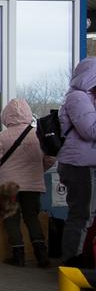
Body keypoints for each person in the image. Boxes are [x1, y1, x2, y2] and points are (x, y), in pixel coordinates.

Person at [0, 98, 54, 267]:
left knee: (11, 218)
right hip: (33, 185)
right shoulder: (38, 134)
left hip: (8, 185)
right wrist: (38, 171)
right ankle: (41, 255)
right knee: (32, 217)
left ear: (6, 115)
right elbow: (50, 158)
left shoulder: (2, 137)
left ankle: (18, 255)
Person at [57, 57, 96, 265]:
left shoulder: (86, 98)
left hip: (84, 163)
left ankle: (79, 258)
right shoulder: (78, 98)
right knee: (82, 214)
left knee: (85, 214)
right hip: (80, 165)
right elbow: (90, 130)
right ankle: (73, 263)